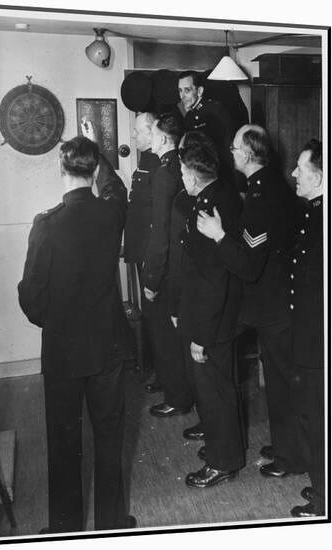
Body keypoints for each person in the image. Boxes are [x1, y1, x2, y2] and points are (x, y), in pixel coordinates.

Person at [17, 136, 135, 533]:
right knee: (109, 439)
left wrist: (53, 322)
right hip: (109, 348)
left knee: (64, 444)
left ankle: (65, 529)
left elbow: (31, 296)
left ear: (61, 170)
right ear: (96, 171)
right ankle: (114, 524)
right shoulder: (111, 213)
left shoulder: (47, 224)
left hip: (64, 353)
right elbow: (117, 190)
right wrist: (100, 153)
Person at [196, 124, 305, 477]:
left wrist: (218, 236)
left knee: (282, 383)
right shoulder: (268, 187)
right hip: (274, 301)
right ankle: (287, 446)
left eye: (233, 147)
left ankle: (292, 458)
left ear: (245, 154)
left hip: (273, 306)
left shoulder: (262, 198)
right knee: (280, 381)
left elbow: (248, 264)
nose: (230, 152)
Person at [171, 132, 245, 487]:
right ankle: (224, 446)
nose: (182, 178)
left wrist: (200, 335)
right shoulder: (223, 194)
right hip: (221, 317)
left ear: (194, 176)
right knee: (219, 389)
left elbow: (211, 279)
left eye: (183, 172)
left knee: (214, 392)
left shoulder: (207, 209)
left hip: (212, 323)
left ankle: (222, 461)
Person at [142, 112, 193, 418]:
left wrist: (151, 277)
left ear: (161, 138)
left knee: (165, 337)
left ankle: (177, 397)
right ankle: (180, 392)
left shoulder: (164, 173)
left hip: (166, 267)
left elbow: (159, 230)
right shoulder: (180, 165)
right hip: (182, 262)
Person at [289, 140, 325, 517]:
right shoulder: (313, 214)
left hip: (319, 343)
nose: (294, 173)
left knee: (319, 420)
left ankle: (325, 499)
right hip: (310, 337)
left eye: (301, 167)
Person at [124, 112, 161, 388]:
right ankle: (160, 372)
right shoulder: (146, 161)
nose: (134, 136)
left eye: (138, 131)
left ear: (152, 132)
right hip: (141, 249)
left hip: (151, 252)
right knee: (150, 315)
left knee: (157, 315)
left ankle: (166, 375)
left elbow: (156, 217)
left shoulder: (157, 163)